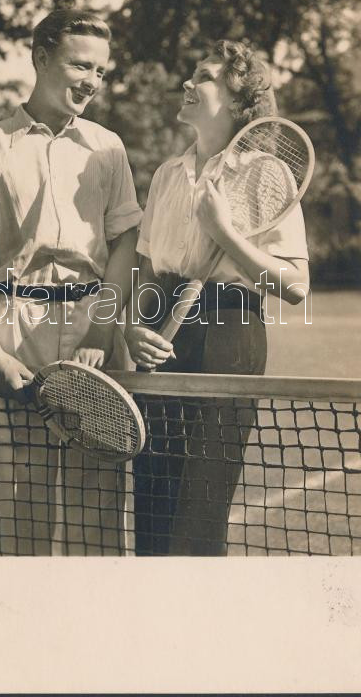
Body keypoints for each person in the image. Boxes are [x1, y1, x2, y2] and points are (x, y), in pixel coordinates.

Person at [0, 9, 142, 554]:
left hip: (93, 334)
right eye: (80, 66)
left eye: (100, 71)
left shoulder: (109, 147)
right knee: (19, 519)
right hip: (12, 331)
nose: (92, 81)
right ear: (40, 58)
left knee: (96, 525)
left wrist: (102, 329)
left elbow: (125, 241)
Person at [125, 39, 310, 556]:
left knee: (196, 515)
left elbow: (295, 285)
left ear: (237, 100)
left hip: (228, 333)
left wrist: (225, 233)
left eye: (204, 77)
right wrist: (133, 327)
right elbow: (147, 269)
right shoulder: (166, 174)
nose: (188, 82)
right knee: (154, 507)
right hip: (160, 330)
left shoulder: (265, 172)